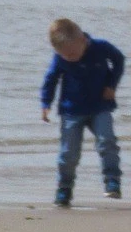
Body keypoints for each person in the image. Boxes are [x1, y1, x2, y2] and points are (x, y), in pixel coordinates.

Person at [41, 17, 123, 206]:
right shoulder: (60, 58)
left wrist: (111, 85)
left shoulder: (100, 47)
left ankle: (112, 180)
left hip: (100, 107)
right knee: (69, 152)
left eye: (72, 53)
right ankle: (64, 188)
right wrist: (46, 104)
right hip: (72, 111)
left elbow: (119, 60)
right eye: (65, 55)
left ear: (82, 40)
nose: (69, 58)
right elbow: (51, 79)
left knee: (107, 141)